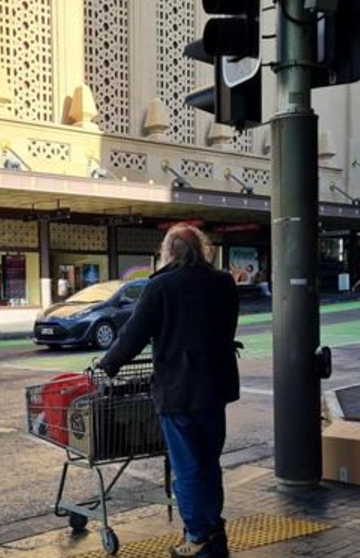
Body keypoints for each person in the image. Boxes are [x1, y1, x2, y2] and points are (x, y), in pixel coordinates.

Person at [97, 224, 239, 558]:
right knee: (208, 462)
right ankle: (214, 532)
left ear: (170, 252)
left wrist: (107, 365)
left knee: (187, 467)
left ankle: (198, 536)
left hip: (178, 391)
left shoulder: (161, 286)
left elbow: (133, 334)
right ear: (202, 250)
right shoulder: (223, 283)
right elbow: (226, 328)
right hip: (215, 388)